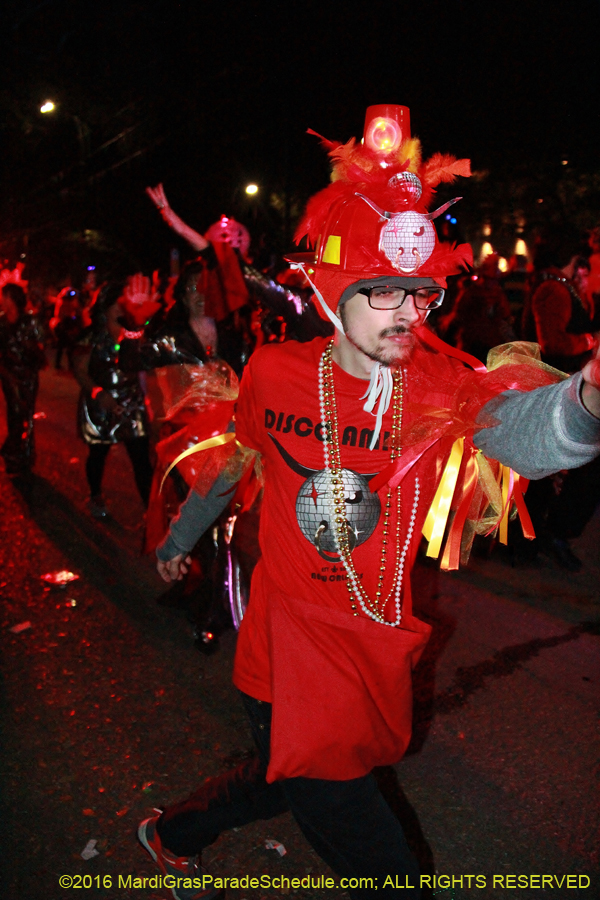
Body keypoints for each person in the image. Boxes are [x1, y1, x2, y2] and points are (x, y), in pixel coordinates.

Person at [137, 105, 600, 900]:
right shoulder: (276, 372)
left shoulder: (435, 381)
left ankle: (171, 830)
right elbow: (231, 464)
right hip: (287, 648)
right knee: (353, 821)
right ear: (331, 289)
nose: (409, 314)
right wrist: (181, 538)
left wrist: (588, 398)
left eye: (419, 294)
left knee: (290, 777)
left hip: (377, 637)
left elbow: (521, 433)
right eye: (384, 294)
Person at [72, 282, 153, 518]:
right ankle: (95, 495)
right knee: (98, 454)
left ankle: (152, 511)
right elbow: (80, 370)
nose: (121, 309)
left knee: (141, 459)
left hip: (131, 401)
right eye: (117, 304)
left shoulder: (134, 331)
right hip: (100, 403)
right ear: (104, 307)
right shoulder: (91, 337)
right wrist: (98, 393)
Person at [0, 282, 46, 475]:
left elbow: (43, 342)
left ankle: (21, 454)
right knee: (15, 412)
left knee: (25, 414)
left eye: (3, 296)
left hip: (27, 375)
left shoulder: (30, 321)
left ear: (10, 298)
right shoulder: (1, 322)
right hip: (8, 374)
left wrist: (32, 347)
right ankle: (14, 454)